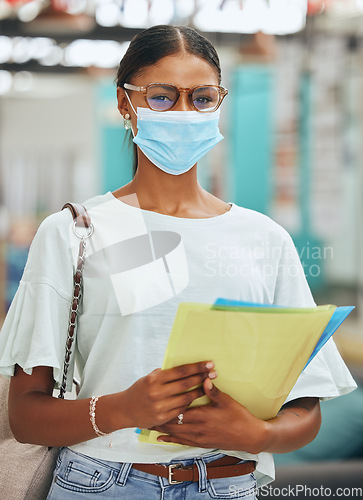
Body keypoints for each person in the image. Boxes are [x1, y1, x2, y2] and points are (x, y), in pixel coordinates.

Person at [0, 25, 356, 499]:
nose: (184, 113)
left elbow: (305, 410)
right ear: (126, 104)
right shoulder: (74, 232)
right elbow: (25, 417)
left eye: (202, 98)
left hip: (230, 485)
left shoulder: (264, 238)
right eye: (163, 97)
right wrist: (123, 409)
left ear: (219, 102)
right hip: (104, 482)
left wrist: (257, 435)